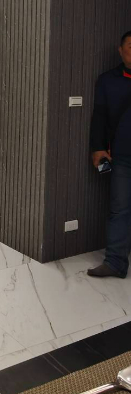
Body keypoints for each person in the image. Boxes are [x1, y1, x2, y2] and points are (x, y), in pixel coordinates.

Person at [88, 30, 131, 278]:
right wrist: (98, 148)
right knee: (120, 208)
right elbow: (100, 117)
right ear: (121, 50)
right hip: (122, 157)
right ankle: (115, 262)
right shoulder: (107, 80)